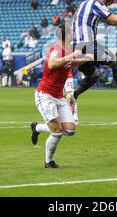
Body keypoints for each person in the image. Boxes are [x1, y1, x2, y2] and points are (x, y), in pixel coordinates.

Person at [30, 24, 90, 168]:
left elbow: (69, 63)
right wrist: (72, 55)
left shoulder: (67, 49)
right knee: (57, 131)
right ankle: (48, 161)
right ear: (67, 36)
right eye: (72, 33)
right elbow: (51, 64)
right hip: (45, 95)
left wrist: (85, 59)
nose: (75, 35)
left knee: (69, 129)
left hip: (58, 95)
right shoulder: (56, 49)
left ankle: (37, 128)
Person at [71, 0, 117, 110]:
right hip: (88, 45)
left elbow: (110, 21)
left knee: (94, 75)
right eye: (108, 4)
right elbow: (114, 20)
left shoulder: (84, 4)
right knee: (115, 62)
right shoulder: (96, 3)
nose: (107, 7)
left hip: (76, 48)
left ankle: (73, 95)